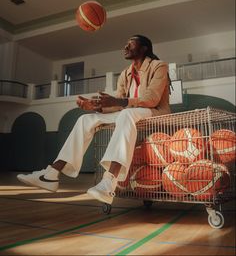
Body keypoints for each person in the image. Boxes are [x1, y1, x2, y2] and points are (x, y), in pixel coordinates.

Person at [17, 35, 171, 204]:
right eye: (125, 44)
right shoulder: (125, 73)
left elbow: (152, 99)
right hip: (130, 112)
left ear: (143, 48)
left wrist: (119, 102)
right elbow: (118, 103)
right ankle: (51, 174)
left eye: (130, 44)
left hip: (153, 112)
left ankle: (109, 182)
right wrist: (97, 107)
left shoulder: (159, 66)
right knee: (86, 119)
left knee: (127, 114)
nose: (125, 47)